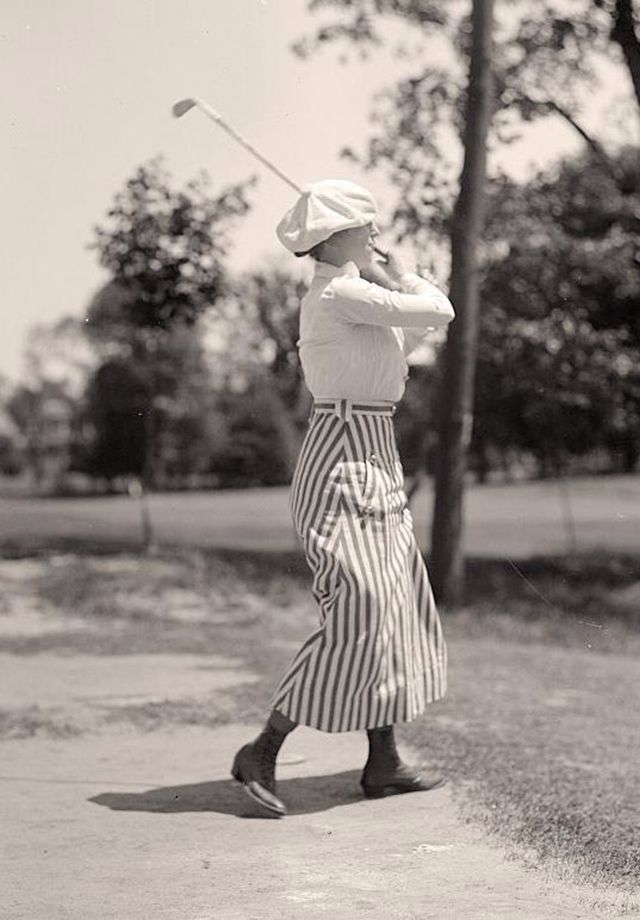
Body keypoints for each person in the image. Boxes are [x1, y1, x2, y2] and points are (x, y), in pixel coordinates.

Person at [231, 179, 455, 817]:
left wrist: (405, 290)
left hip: (376, 452)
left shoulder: (358, 301)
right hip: (337, 459)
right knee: (358, 607)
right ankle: (262, 749)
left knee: (391, 605)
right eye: (368, 227)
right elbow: (439, 312)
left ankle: (382, 762)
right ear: (337, 237)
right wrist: (409, 279)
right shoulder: (338, 294)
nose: (378, 237)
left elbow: (406, 341)